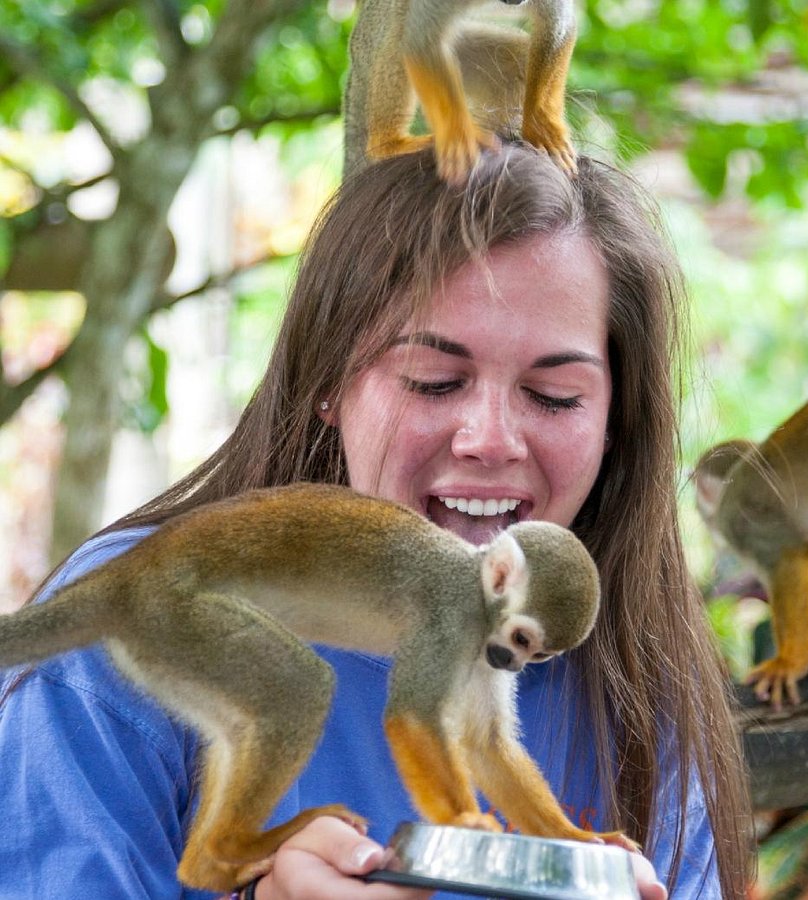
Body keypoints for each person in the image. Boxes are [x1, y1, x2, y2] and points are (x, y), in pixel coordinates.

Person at [0, 144, 753, 899]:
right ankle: (234, 849)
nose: (489, 439)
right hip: (171, 606)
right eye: (433, 381)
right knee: (295, 692)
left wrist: (564, 838)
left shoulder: (627, 676)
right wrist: (455, 821)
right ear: (328, 382)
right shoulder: (95, 676)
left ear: (616, 422)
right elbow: (416, 723)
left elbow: (493, 744)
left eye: (555, 395)